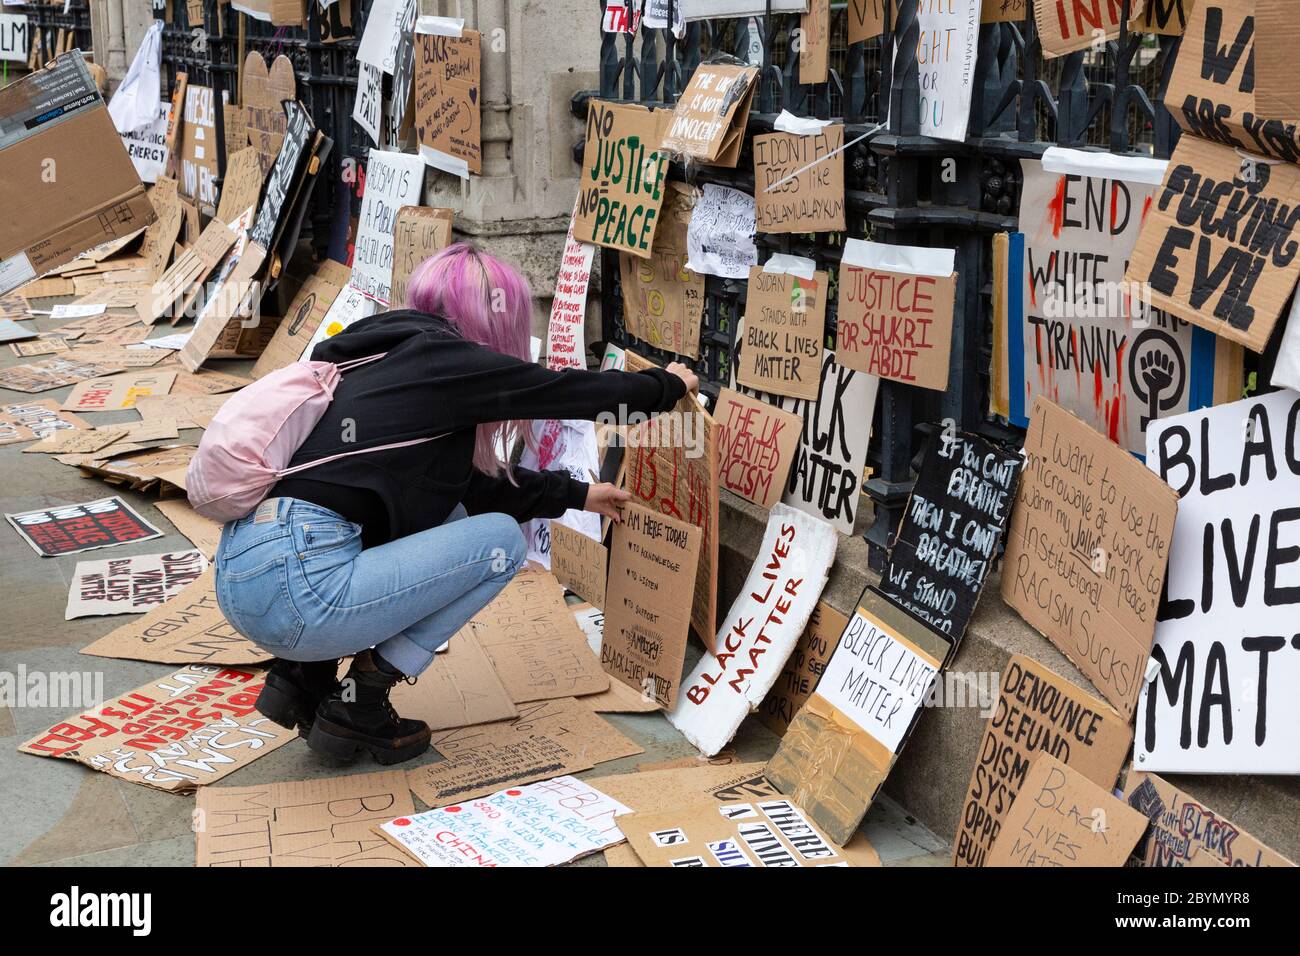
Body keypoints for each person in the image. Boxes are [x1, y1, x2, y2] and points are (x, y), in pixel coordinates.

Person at [214, 244, 698, 765]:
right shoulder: (445, 361)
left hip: (242, 575)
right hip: (301, 590)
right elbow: (565, 390)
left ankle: (301, 677)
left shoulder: (373, 355)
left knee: (447, 520)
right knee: (501, 543)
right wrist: (667, 386)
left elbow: (471, 490)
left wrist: (578, 494)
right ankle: (361, 703)